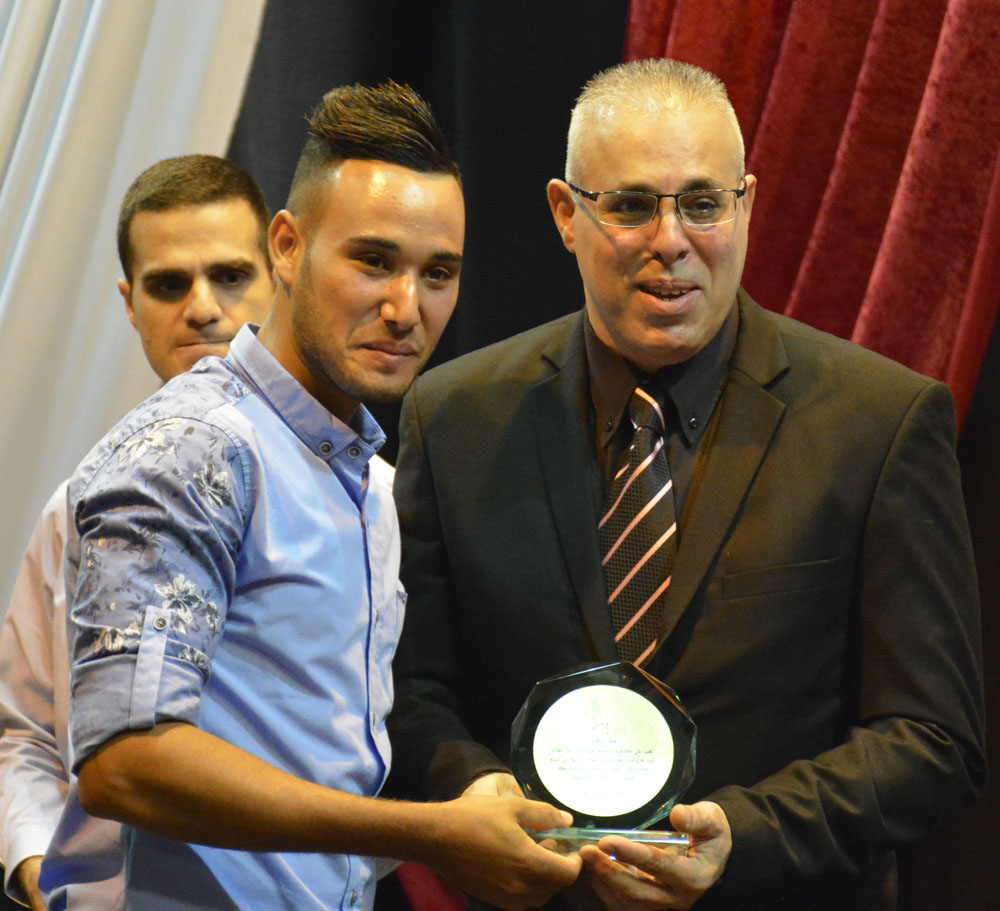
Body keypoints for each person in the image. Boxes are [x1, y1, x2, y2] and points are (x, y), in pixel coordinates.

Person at [386, 58, 985, 910]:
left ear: (745, 205)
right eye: (632, 205)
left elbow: (933, 739)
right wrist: (479, 791)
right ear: (566, 213)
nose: (670, 240)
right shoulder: (453, 418)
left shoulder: (880, 422)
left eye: (702, 203)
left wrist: (742, 835)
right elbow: (412, 692)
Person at [46, 82, 581, 911]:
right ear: (287, 248)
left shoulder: (366, 479)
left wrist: (473, 800)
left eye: (437, 273)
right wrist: (428, 832)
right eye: (374, 261)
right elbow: (126, 762)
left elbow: (324, 758)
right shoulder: (195, 445)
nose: (406, 308)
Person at [0, 153, 274, 911]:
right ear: (129, 301)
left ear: (280, 271)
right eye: (168, 284)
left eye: (230, 275)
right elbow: (21, 731)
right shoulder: (78, 505)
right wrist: (41, 872)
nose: (203, 308)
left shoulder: (368, 495)